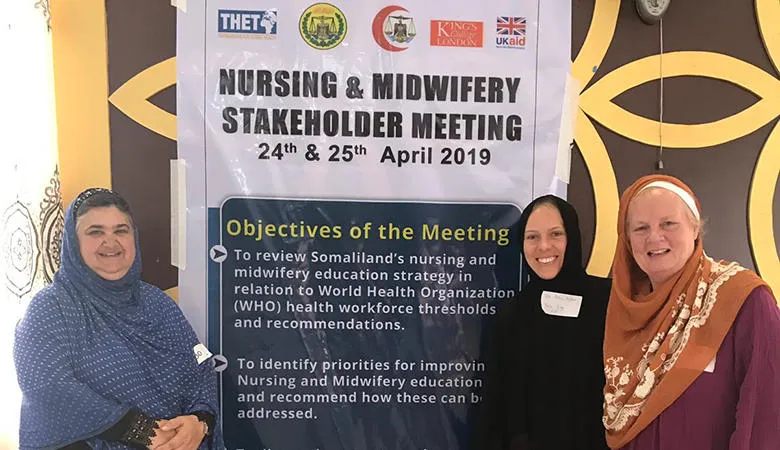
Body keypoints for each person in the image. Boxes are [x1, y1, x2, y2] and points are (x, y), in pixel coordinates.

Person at [14, 188, 222, 449]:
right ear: (73, 242)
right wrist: (142, 430)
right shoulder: (50, 308)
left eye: (121, 230)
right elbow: (47, 386)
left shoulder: (159, 304)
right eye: (95, 232)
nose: (110, 242)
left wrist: (200, 422)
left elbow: (201, 361)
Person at [602, 175, 780, 450]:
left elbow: (764, 416)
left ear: (695, 227)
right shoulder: (624, 314)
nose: (654, 237)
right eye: (640, 228)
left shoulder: (742, 299)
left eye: (668, 224)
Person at [475, 195, 610, 449]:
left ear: (572, 236)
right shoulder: (511, 315)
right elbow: (495, 408)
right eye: (532, 236)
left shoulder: (608, 303)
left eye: (556, 234)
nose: (544, 246)